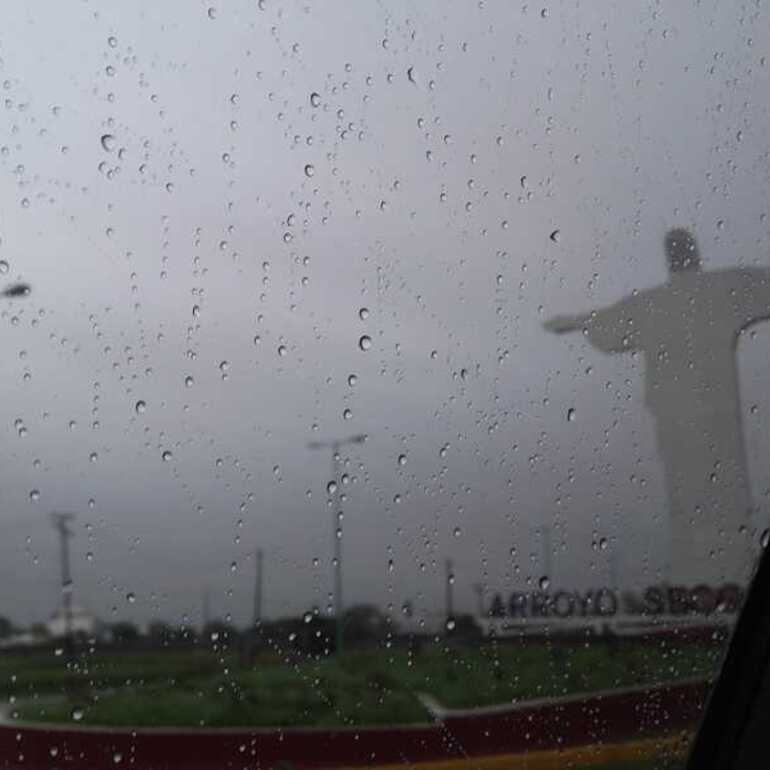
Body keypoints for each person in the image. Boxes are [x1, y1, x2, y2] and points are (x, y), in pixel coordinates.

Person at [545, 228, 770, 584]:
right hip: (686, 417)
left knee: (714, 492)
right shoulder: (697, 294)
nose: (678, 254)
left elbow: (609, 321)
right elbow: (610, 321)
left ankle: (727, 576)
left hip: (705, 417)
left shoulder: (704, 292)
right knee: (691, 495)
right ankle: (700, 579)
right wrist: (575, 322)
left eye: (678, 248)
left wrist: (576, 322)